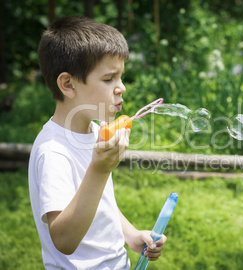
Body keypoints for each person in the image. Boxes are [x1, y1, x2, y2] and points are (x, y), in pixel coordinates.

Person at [28, 16, 166, 269]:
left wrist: (130, 234)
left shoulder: (95, 131)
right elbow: (64, 239)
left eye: (121, 77)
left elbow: (102, 203)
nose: (121, 88)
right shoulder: (53, 152)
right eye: (108, 79)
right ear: (68, 84)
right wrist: (99, 170)